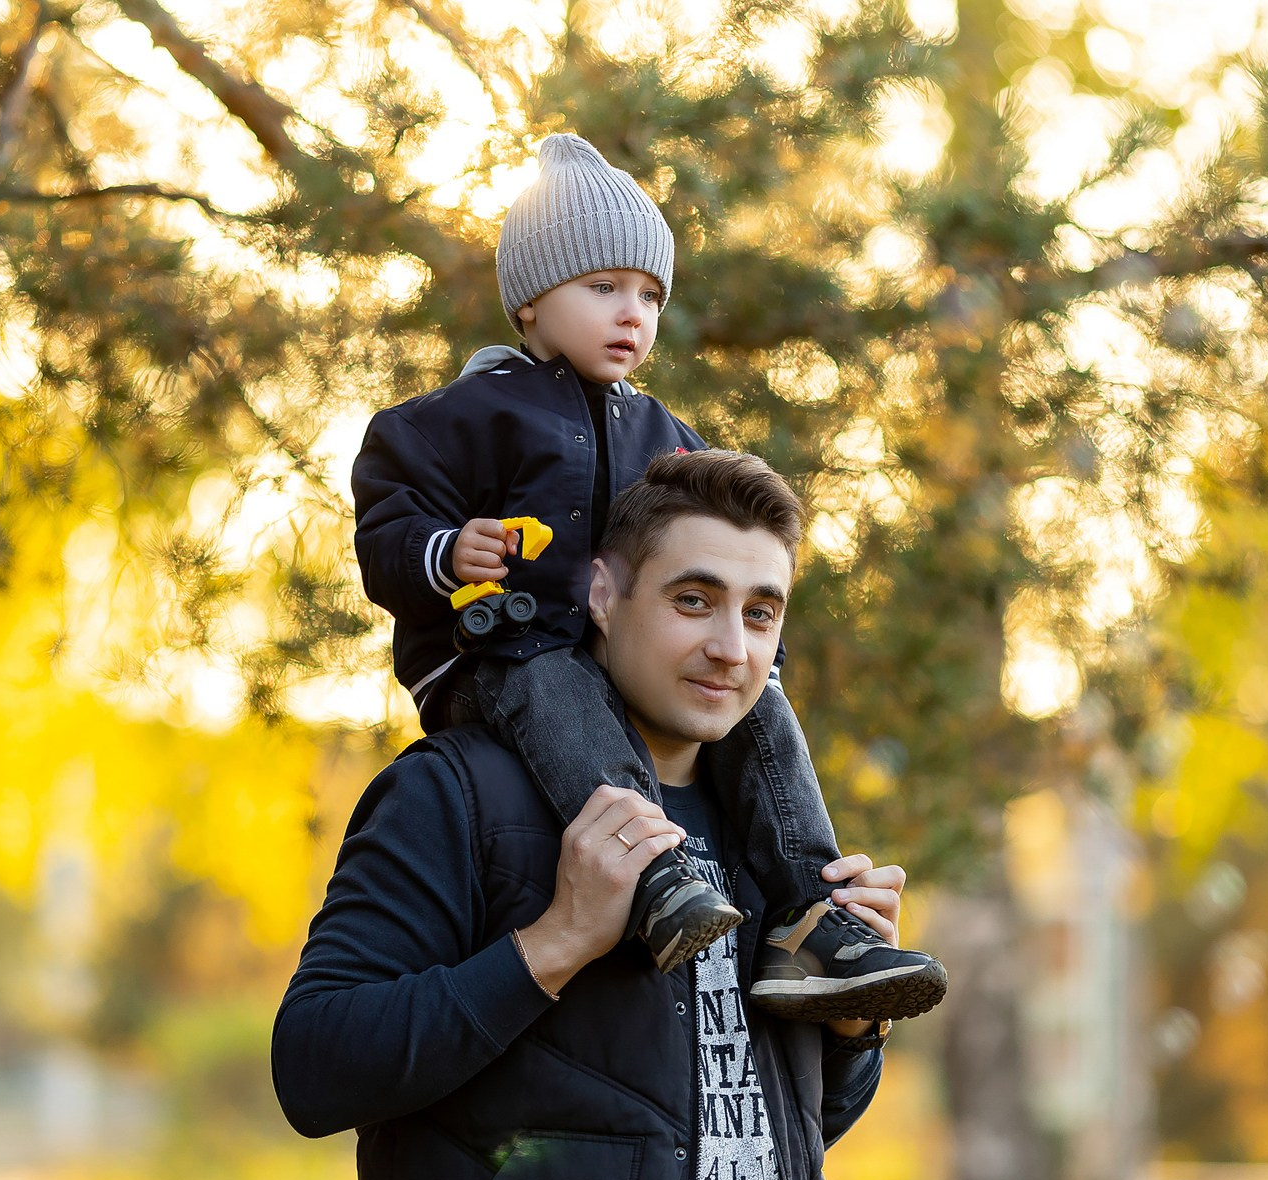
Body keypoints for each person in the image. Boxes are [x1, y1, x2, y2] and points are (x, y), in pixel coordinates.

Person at [277, 450, 917, 1180]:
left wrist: (850, 1025)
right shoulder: (454, 794)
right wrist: (557, 942)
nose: (731, 647)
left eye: (760, 613)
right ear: (603, 596)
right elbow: (313, 1067)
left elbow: (751, 1148)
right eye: (693, 600)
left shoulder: (775, 840)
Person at [351, 131, 944, 1017]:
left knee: (761, 706)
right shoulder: (462, 416)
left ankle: (813, 919)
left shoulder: (662, 433)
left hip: (601, 665)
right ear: (531, 303)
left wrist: (756, 665)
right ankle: (655, 879)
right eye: (603, 288)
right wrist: (445, 551)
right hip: (494, 654)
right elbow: (389, 517)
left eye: (650, 294)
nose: (633, 313)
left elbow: (734, 545)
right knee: (551, 679)